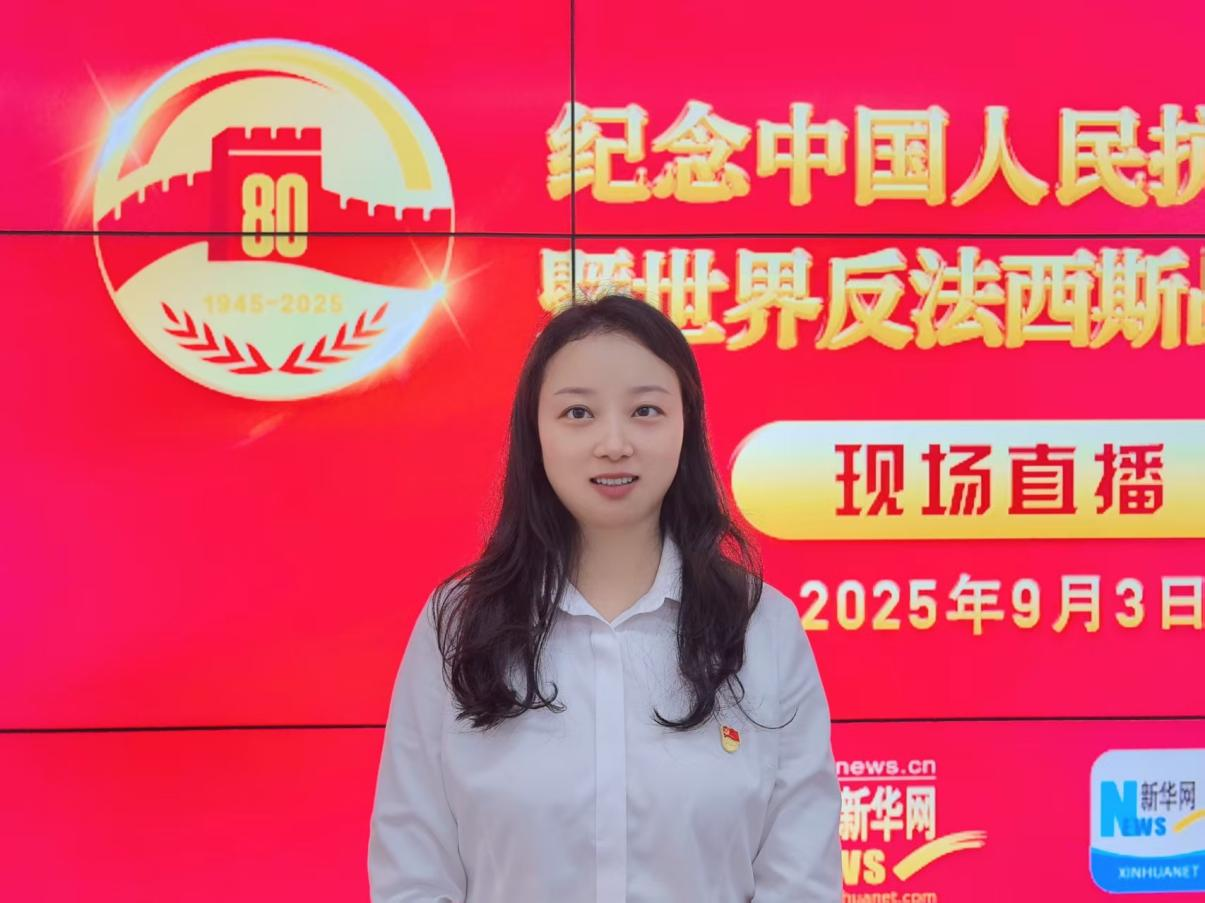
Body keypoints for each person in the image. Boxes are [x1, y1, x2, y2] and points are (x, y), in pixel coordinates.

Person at [368, 293, 841, 902]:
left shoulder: (761, 625)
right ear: (535, 433)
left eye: (646, 410)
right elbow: (413, 870)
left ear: (686, 426)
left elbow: (801, 879)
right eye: (578, 413)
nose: (614, 443)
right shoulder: (459, 625)